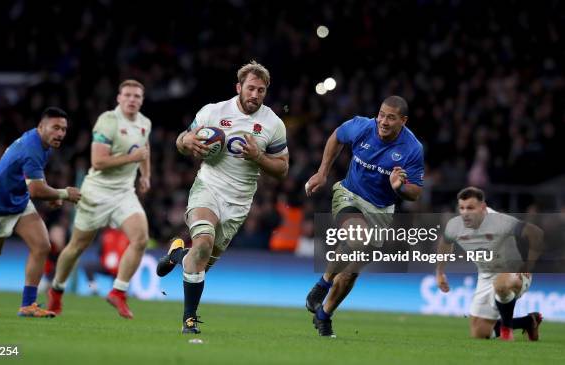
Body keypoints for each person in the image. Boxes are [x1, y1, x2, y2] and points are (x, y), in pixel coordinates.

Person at [156, 61, 289, 334]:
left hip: (239, 203)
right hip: (209, 187)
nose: (255, 95)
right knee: (203, 243)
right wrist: (187, 142)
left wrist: (259, 158)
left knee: (200, 262)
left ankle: (178, 252)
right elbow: (183, 139)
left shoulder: (273, 123)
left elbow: (282, 169)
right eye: (250, 88)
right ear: (238, 87)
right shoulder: (214, 111)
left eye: (261, 91)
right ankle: (189, 319)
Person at [304, 96, 424, 337]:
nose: (383, 121)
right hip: (350, 194)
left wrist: (399, 186)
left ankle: (325, 314)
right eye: (381, 114)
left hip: (381, 210)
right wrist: (322, 173)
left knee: (350, 274)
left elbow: (415, 193)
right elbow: (337, 136)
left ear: (403, 120)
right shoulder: (362, 126)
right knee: (357, 238)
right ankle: (322, 285)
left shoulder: (412, 148)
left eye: (391, 117)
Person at [47, 80, 152, 319]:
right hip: (97, 192)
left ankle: (118, 292)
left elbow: (144, 150)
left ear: (142, 99)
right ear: (119, 98)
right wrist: (131, 158)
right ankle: (56, 291)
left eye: (137, 96)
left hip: (124, 193)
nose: (132, 99)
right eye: (127, 95)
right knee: (77, 247)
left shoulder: (145, 123)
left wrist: (145, 175)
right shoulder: (108, 121)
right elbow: (98, 162)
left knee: (141, 239)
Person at [0, 107, 81, 317]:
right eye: (56, 128)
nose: (60, 133)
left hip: (18, 201)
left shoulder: (43, 143)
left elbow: (35, 179)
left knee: (42, 245)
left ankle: (28, 305)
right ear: (41, 127)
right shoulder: (32, 147)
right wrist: (63, 193)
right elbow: (36, 190)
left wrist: (52, 195)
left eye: (63, 129)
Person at [436, 187, 544, 341]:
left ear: (483, 207)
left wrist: (528, 265)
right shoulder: (455, 226)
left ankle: (506, 330)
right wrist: (440, 272)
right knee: (480, 333)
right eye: (462, 208)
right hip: (486, 276)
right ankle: (529, 322)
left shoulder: (500, 222)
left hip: (515, 273)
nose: (465, 212)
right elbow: (445, 243)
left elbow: (536, 233)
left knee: (501, 283)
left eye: (470, 208)